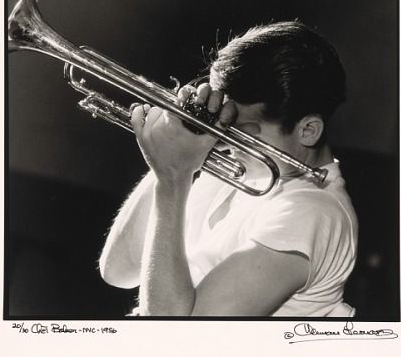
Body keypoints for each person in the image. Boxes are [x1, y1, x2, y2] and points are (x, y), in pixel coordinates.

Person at [99, 22, 358, 317]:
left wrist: (172, 177)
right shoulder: (241, 167)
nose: (226, 139)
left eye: (244, 132)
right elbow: (118, 270)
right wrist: (171, 150)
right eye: (223, 123)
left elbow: (175, 337)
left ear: (308, 130)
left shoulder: (312, 213)